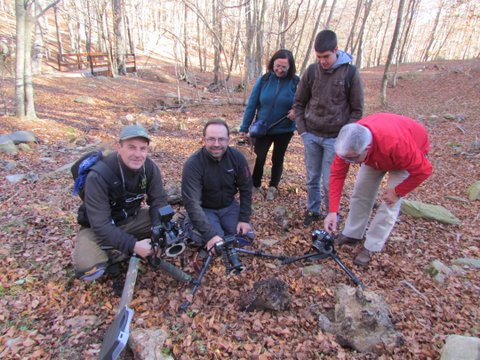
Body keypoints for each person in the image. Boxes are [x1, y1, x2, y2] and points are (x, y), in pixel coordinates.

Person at [324, 113, 433, 266]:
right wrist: (333, 211)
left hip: (404, 153)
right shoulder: (348, 143)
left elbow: (424, 170)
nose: (349, 162)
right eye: (346, 158)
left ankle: (372, 246)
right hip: (375, 156)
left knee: (389, 203)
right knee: (360, 193)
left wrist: (398, 191)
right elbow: (337, 175)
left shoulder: (398, 144)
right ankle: (352, 233)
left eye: (352, 159)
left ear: (366, 149)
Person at [73, 124, 169, 280]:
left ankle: (125, 248)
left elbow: (159, 200)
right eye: (131, 148)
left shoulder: (149, 168)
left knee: (173, 224)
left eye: (142, 149)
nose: (138, 154)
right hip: (98, 229)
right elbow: (101, 225)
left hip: (132, 219)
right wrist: (134, 246)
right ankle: (117, 254)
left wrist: (158, 231)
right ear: (119, 147)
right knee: (89, 269)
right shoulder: (98, 176)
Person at [294, 29, 364, 227]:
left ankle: (330, 214)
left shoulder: (350, 73)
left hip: (336, 139)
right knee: (312, 178)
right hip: (311, 134)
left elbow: (357, 110)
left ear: (336, 51)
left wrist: (346, 137)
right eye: (318, 57)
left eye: (326, 56)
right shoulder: (311, 71)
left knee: (329, 181)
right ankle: (313, 210)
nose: (322, 61)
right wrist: (303, 131)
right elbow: (299, 102)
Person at [182, 119, 253, 252]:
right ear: (203, 140)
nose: (216, 144)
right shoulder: (193, 164)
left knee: (246, 236)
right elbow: (192, 202)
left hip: (228, 206)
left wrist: (244, 218)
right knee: (216, 242)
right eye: (211, 139)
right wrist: (210, 235)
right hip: (205, 209)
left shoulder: (237, 158)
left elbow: (246, 189)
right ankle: (189, 224)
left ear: (228, 140)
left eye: (221, 139)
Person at [239, 49, 299, 201]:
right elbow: (252, 104)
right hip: (263, 127)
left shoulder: (296, 82)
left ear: (290, 67)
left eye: (284, 67)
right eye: (277, 65)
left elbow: (304, 103)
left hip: (284, 129)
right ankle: (255, 184)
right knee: (258, 157)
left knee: (278, 158)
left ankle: (273, 186)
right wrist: (244, 128)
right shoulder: (264, 80)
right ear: (272, 63)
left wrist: (296, 111)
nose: (279, 69)